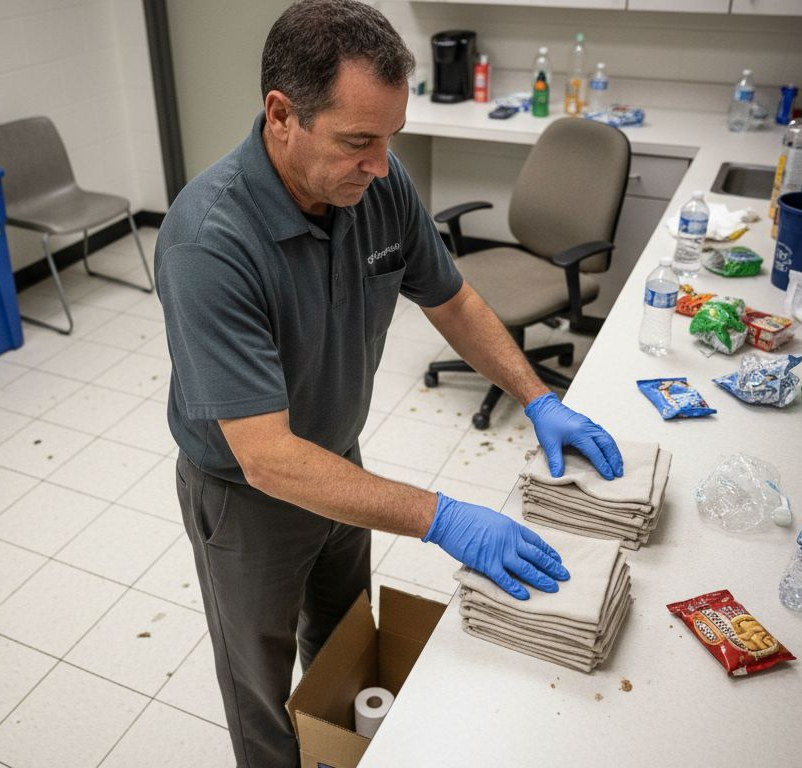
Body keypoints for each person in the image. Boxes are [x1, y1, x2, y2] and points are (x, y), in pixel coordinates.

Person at [154, 2, 624, 765]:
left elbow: (455, 299)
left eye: (389, 140)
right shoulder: (209, 243)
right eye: (357, 142)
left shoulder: (377, 185)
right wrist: (441, 517)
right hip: (247, 499)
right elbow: (267, 458)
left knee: (344, 646)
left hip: (340, 459)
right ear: (282, 115)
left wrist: (538, 396)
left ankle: (343, 751)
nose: (380, 166)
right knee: (264, 699)